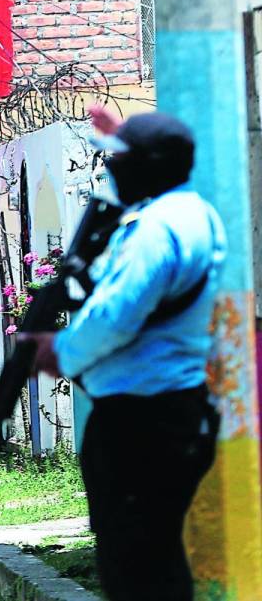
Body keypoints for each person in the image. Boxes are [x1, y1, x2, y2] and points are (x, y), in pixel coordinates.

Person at [22, 106, 223, 601]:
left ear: (146, 165)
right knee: (156, 555)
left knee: (134, 564)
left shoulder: (155, 229)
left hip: (140, 421)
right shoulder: (196, 215)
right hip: (176, 411)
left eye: (119, 161)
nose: (111, 171)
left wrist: (61, 352)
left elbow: (115, 315)